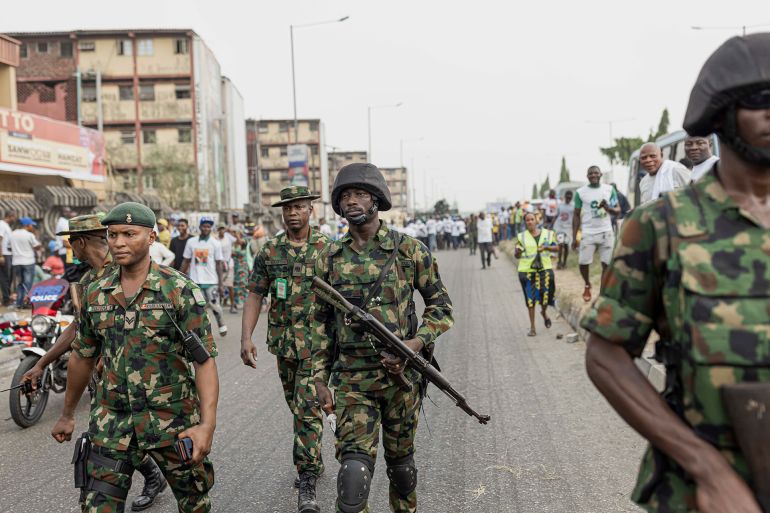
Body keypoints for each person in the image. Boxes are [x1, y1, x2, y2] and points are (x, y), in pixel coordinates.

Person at [582, 33, 770, 513]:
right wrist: (707, 468)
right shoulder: (661, 226)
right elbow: (607, 356)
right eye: (762, 101)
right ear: (723, 114)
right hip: (704, 493)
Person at [50, 202, 219, 513]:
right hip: (111, 422)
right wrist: (68, 413)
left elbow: (204, 361)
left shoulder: (179, 291)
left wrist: (206, 425)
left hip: (172, 421)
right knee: (96, 506)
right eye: (113, 235)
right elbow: (82, 357)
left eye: (129, 234)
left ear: (152, 237)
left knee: (195, 504)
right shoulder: (95, 292)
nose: (119, 242)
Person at [312, 163, 453, 513]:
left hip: (401, 381)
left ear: (377, 200)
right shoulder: (328, 258)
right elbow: (320, 325)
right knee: (353, 477)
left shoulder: (410, 251)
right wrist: (318, 379)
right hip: (352, 380)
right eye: (345, 196)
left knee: (402, 470)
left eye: (360, 194)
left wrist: (415, 344)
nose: (352, 202)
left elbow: (441, 308)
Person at [23, 213, 168, 511]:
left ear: (79, 242)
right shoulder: (89, 279)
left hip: (145, 378)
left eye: (71, 243)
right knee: (108, 440)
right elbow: (79, 328)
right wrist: (43, 363)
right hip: (105, 379)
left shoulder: (127, 266)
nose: (70, 249)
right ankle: (143, 479)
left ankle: (159, 475)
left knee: (152, 438)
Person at [240, 186, 329, 513]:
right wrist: (245, 336)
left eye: (299, 207)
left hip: (318, 346)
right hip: (284, 343)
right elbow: (255, 293)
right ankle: (314, 457)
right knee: (297, 405)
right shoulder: (270, 251)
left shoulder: (327, 249)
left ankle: (306, 479)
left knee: (306, 408)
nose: (293, 213)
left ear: (310, 210)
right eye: (287, 207)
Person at [572, 166, 620, 302]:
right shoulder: (580, 192)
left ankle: (603, 292)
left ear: (600, 175)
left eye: (596, 173)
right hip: (588, 232)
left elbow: (617, 210)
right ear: (587, 176)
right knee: (583, 262)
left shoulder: (609, 190)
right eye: (590, 173)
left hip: (606, 232)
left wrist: (608, 207)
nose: (593, 175)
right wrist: (575, 236)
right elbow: (576, 215)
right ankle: (587, 284)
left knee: (607, 264)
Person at [181, 218, 228, 336]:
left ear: (211, 228)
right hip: (195, 281)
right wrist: (179, 277)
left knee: (214, 305)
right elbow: (186, 261)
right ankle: (201, 332)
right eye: (204, 226)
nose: (206, 228)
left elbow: (219, 264)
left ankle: (221, 323)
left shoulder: (215, 243)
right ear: (200, 227)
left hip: (211, 281)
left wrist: (221, 284)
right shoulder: (191, 242)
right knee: (197, 307)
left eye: (208, 226)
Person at [515, 212, 558, 336]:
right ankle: (532, 328)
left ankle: (544, 313)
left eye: (532, 219)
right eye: (527, 220)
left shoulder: (547, 234)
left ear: (536, 220)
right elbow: (517, 253)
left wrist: (546, 248)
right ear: (525, 222)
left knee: (546, 297)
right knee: (530, 299)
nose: (529, 222)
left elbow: (557, 248)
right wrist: (517, 252)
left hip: (545, 269)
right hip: (526, 271)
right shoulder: (521, 237)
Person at [10, 217, 41, 308]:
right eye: (31, 225)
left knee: (20, 284)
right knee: (28, 284)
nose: (32, 227)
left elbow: (9, 246)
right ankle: (27, 303)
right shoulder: (29, 235)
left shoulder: (12, 234)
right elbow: (37, 246)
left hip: (16, 262)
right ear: (27, 225)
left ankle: (19, 304)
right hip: (28, 261)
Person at [552, 190, 574, 270]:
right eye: (567, 196)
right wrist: (551, 226)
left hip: (568, 229)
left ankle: (564, 262)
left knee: (566, 246)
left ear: (571, 197)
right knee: (560, 245)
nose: (568, 198)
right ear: (565, 196)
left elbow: (576, 217)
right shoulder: (560, 205)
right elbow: (555, 215)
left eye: (570, 196)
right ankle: (559, 262)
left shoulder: (573, 206)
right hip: (559, 228)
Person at [230, 227, 248, 313]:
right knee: (235, 286)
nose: (235, 235)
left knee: (243, 285)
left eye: (237, 233)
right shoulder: (233, 243)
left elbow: (240, 242)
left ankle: (247, 304)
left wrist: (237, 233)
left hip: (242, 268)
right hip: (235, 267)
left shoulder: (244, 241)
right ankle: (236, 304)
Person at [0, 211, 15, 306]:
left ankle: (7, 297)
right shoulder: (2, 224)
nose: (15, 219)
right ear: (10, 216)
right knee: (5, 277)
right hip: (4, 254)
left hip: (8, 254)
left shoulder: (6, 225)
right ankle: (6, 299)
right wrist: (1, 255)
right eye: (14, 217)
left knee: (9, 277)